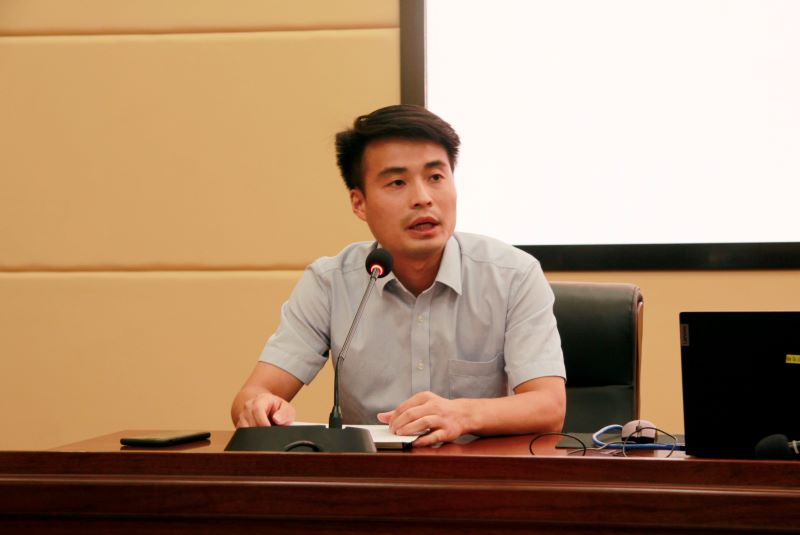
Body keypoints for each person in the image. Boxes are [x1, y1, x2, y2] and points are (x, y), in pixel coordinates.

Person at [231, 104, 566, 447]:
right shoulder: (329, 283)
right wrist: (259, 407)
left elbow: (549, 405)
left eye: (436, 177)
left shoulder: (513, 276)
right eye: (397, 182)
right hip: (372, 475)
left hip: (478, 473)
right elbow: (254, 394)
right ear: (359, 203)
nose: (423, 198)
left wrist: (462, 415)